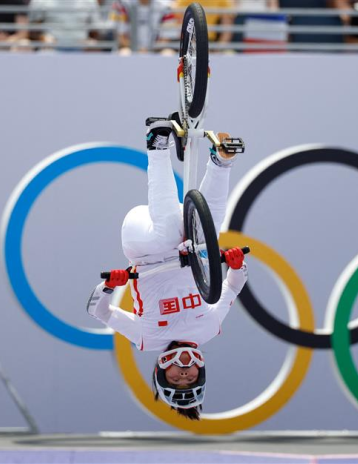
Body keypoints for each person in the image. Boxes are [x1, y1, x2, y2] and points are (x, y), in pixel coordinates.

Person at [86, 119, 248, 420]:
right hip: (188, 245)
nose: (184, 371)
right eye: (190, 378)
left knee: (166, 232)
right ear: (201, 370)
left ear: (162, 369)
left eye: (176, 378)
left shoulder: (147, 339)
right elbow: (234, 286)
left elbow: (100, 312)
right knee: (209, 231)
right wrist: (237, 265)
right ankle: (222, 160)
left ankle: (157, 145)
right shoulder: (209, 329)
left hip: (144, 244)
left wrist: (111, 286)